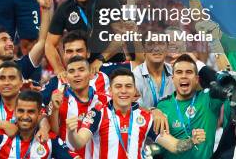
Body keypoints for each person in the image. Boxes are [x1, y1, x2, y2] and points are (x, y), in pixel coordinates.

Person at [67, 67, 207, 158]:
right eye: (118, 86)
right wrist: (72, 132)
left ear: (134, 91)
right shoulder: (97, 114)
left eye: (128, 86)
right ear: (110, 91)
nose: (123, 91)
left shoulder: (147, 118)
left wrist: (192, 140)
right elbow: (78, 142)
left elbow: (175, 146)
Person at [45, 0, 133, 79]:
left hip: (111, 64)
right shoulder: (64, 8)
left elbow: (121, 35)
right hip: (81, 69)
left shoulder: (108, 1)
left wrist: (100, 60)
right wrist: (59, 69)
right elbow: (49, 44)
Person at [0, 90, 72, 159]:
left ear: (39, 114)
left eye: (30, 112)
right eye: (21, 111)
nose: (25, 116)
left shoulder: (49, 139)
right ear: (15, 111)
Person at [155, 54, 225, 159]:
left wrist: (198, 63)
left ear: (197, 79)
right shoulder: (162, 106)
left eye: (189, 72)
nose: (184, 76)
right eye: (179, 72)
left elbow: (227, 84)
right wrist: (152, 110)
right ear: (173, 78)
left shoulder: (209, 99)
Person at [48, 55, 110, 157]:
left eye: (81, 70)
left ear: (90, 74)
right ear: (67, 77)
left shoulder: (105, 100)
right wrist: (54, 110)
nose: (76, 74)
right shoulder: (58, 97)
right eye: (71, 71)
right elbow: (54, 133)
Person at [41, 30, 110, 104]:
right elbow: (37, 105)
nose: (74, 55)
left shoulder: (107, 74)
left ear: (88, 53)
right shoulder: (56, 82)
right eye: (69, 51)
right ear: (64, 54)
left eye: (79, 51)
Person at [133, 36, 175, 109]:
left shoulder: (176, 72)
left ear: (167, 48)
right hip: (145, 119)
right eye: (151, 44)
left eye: (161, 43)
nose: (156, 48)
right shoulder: (134, 76)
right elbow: (135, 107)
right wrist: (152, 112)